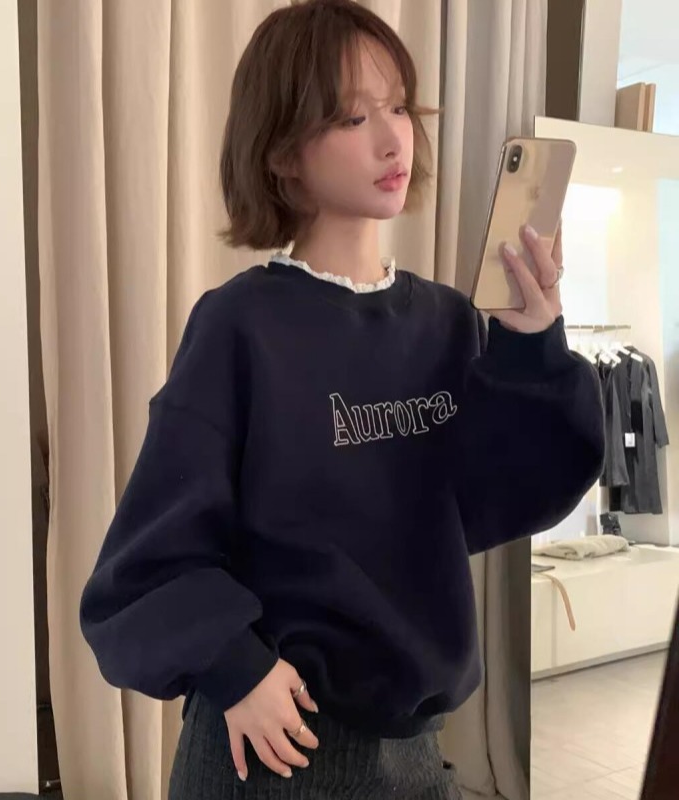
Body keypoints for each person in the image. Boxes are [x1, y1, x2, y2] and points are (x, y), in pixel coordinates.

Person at [79, 1, 605, 797]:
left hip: (414, 753)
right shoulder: (241, 326)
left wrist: (533, 346)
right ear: (284, 152)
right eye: (354, 117)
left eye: (398, 107)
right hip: (273, 743)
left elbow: (504, 498)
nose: (394, 140)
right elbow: (145, 561)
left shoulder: (447, 324)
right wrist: (237, 668)